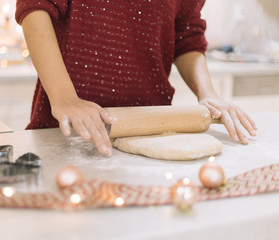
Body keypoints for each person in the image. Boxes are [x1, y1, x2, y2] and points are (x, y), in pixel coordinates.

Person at [15, 0, 257, 157]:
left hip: (154, 132)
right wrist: (64, 97)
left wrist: (208, 94)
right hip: (66, 134)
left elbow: (187, 35)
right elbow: (36, 6)